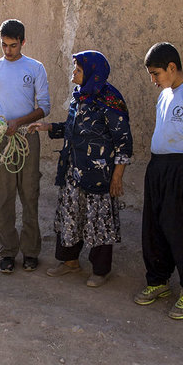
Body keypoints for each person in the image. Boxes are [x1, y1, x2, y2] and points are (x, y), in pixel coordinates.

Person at [29, 50, 132, 287]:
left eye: (78, 69)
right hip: (74, 169)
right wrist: (47, 127)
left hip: (99, 174)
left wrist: (118, 175)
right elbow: (74, 128)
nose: (73, 73)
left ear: (92, 73)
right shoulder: (80, 96)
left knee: (98, 220)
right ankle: (69, 262)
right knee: (70, 216)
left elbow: (124, 141)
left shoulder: (110, 99)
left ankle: (100, 270)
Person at [133, 42, 183, 320]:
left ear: (172, 67)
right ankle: (158, 281)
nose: (153, 81)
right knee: (155, 227)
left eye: (156, 74)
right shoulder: (165, 95)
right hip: (159, 168)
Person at [0, 19, 50, 274]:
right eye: (4, 45)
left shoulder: (35, 68)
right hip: (0, 138)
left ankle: (30, 251)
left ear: (23, 42)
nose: (8, 51)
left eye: (13, 45)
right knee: (2, 197)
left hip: (27, 137)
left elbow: (44, 107)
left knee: (29, 194)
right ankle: (7, 251)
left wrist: (20, 122)